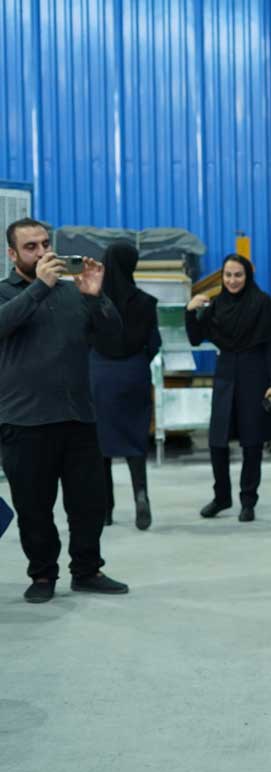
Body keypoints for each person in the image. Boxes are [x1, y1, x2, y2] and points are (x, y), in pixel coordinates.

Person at [0, 217, 129, 602]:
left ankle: (87, 570)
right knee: (34, 508)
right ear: (12, 254)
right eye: (31, 247)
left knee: (88, 504)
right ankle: (43, 575)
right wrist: (40, 286)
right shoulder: (5, 293)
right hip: (24, 421)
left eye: (45, 244)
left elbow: (114, 340)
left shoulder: (73, 293)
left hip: (77, 418)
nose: (42, 252)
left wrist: (95, 297)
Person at [185, 254, 271, 523]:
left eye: (238, 275)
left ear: (247, 275)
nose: (232, 280)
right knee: (217, 440)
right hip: (226, 374)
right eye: (228, 275)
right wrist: (191, 311)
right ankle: (222, 497)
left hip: (255, 374)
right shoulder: (217, 305)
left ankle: (248, 501)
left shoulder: (261, 303)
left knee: (252, 442)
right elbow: (195, 339)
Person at [90, 241, 160, 531]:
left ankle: (105, 510)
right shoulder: (146, 302)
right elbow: (154, 344)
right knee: (135, 438)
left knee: (101, 444)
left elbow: (82, 339)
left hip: (99, 375)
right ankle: (141, 495)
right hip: (134, 374)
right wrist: (137, 362)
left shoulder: (93, 300)